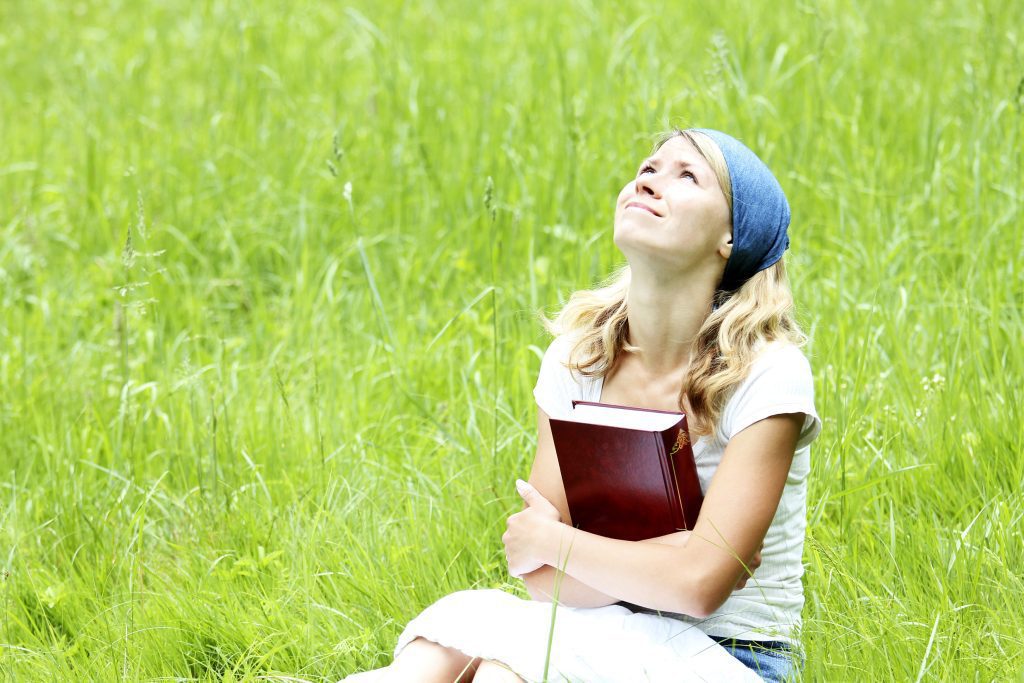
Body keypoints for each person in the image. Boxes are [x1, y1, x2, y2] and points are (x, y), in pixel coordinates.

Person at [342, 127, 822, 682]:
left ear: (731, 238)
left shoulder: (768, 373)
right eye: (649, 166)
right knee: (436, 653)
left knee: (505, 672)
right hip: (596, 624)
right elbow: (537, 571)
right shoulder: (580, 357)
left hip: (731, 654)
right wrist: (678, 552)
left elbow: (699, 588)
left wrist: (565, 542)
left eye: (687, 175)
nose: (649, 179)